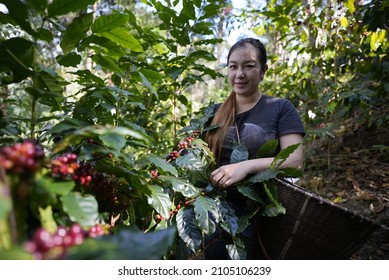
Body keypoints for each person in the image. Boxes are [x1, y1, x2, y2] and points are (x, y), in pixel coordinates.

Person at [204, 37, 306, 259]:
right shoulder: (213, 113)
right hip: (219, 215)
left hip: (265, 214)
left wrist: (246, 166)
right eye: (233, 67)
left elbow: (295, 162)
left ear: (263, 71)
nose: (239, 74)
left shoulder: (280, 108)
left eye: (248, 66)